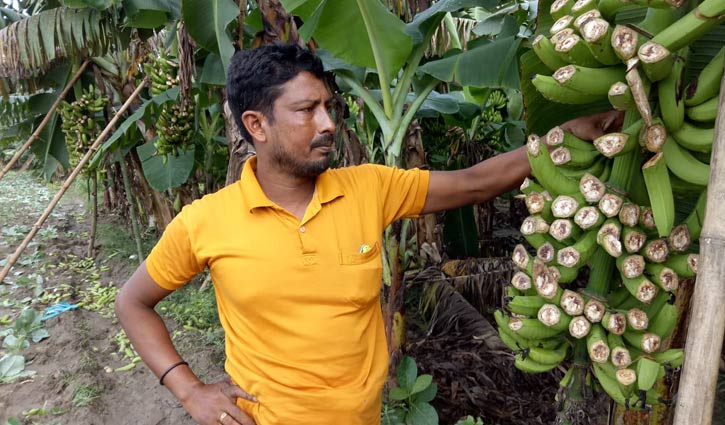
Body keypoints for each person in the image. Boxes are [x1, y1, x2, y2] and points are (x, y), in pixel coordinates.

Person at [115, 43, 623, 425]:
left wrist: (563, 135)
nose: (328, 123)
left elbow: (472, 184)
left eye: (328, 107)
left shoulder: (368, 187)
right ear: (257, 124)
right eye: (306, 110)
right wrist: (187, 389)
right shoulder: (206, 220)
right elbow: (132, 303)